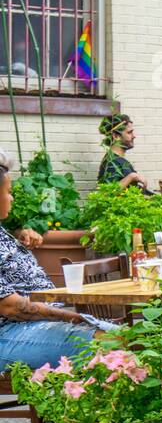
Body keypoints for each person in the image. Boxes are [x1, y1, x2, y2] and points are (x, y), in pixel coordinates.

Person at [0, 147, 99, 372]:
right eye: (8, 191)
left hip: (33, 327)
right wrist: (71, 316)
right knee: (109, 342)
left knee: (125, 337)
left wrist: (18, 235)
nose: (12, 197)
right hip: (9, 334)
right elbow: (10, 307)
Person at [97, 114, 147, 190]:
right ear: (116, 136)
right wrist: (131, 177)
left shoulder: (119, 160)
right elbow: (107, 193)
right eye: (129, 132)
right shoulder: (111, 163)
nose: (134, 136)